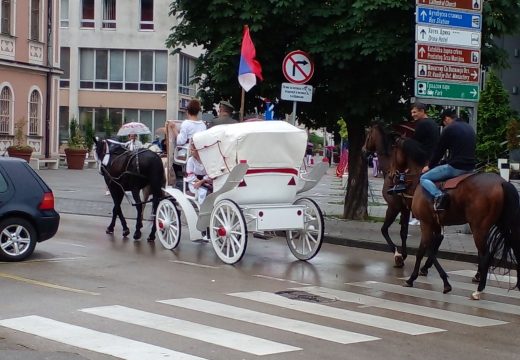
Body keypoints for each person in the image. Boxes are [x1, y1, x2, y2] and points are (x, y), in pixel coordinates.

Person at [419, 108, 476, 211]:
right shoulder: (469, 128)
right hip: (471, 168)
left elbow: (439, 151)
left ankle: (439, 196)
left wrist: (429, 166)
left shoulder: (450, 129)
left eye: (444, 123)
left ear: (446, 119)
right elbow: (460, 151)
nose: (445, 125)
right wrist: (444, 162)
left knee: (424, 178)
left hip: (456, 168)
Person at [388, 102, 440, 194]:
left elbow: (416, 140)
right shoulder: (433, 123)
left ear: (422, 111)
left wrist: (401, 139)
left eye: (414, 112)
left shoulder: (422, 124)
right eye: (412, 113)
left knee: (401, 141)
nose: (412, 115)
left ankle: (400, 175)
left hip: (424, 153)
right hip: (432, 152)